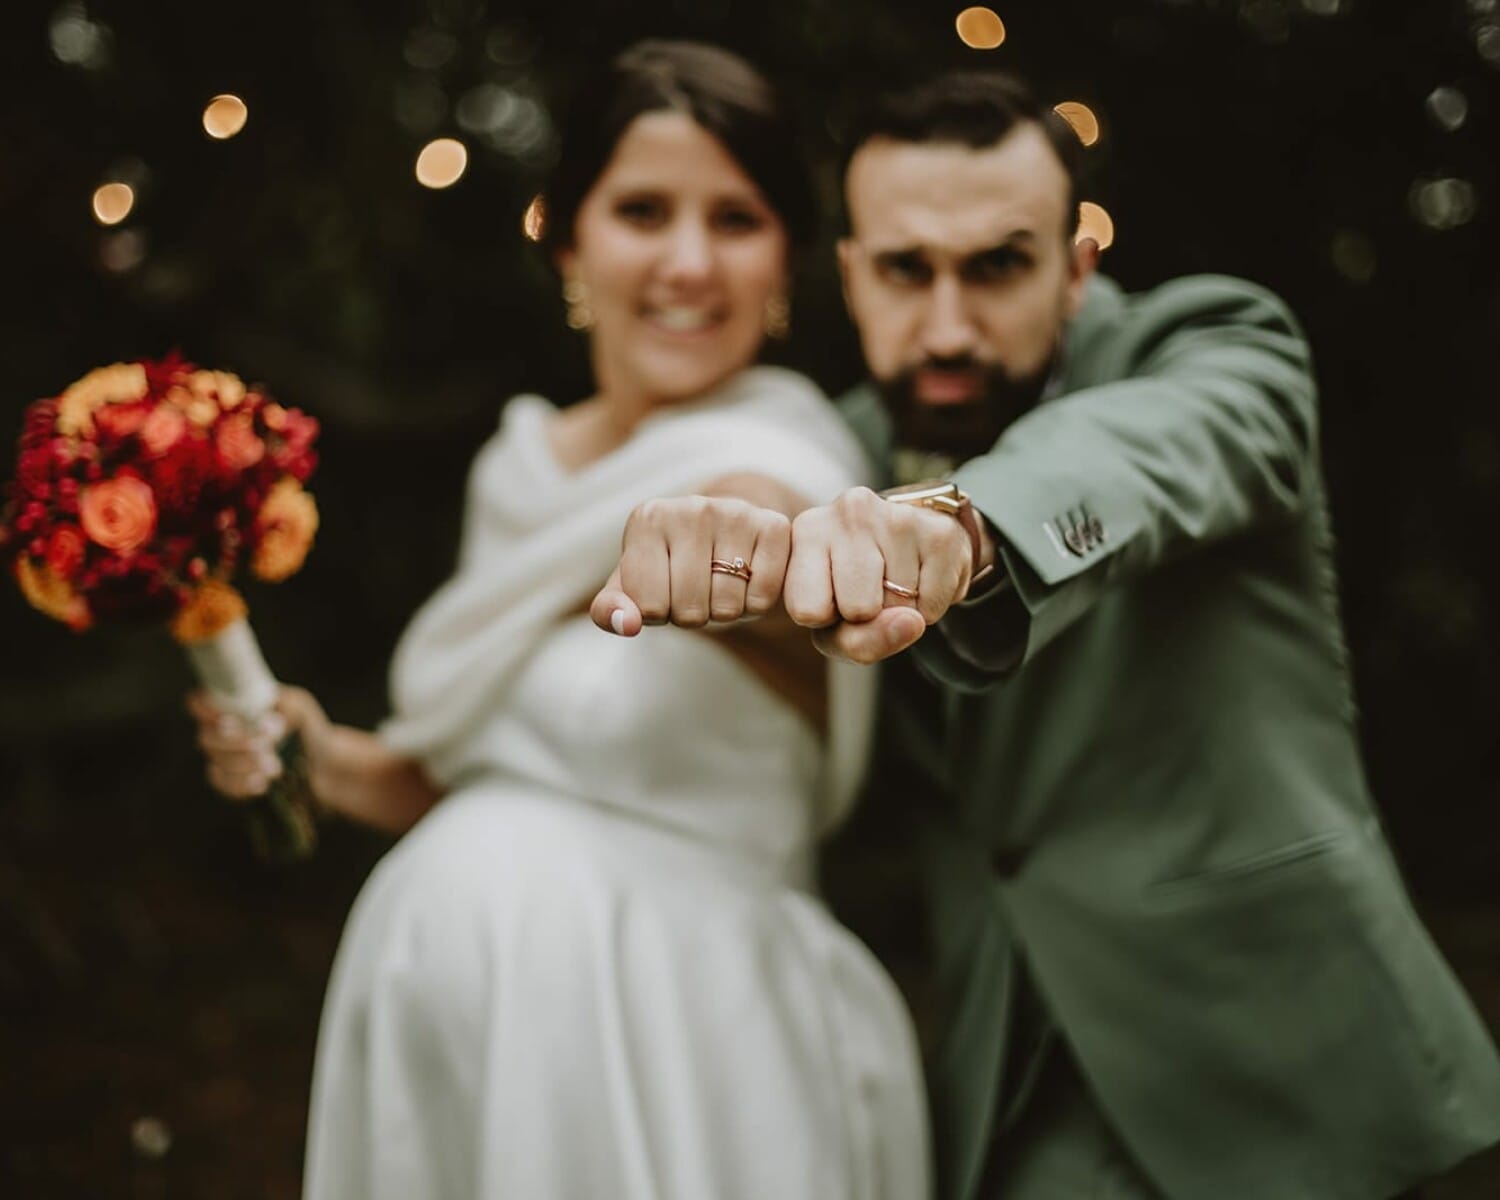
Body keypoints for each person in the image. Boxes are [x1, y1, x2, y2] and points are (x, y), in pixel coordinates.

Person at [596, 70, 1500, 1200]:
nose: (947, 327)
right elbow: (791, 522)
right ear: (849, 273)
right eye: (903, 270)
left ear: (1076, 269)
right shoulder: (842, 444)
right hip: (1004, 1090)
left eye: (998, 266)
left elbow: (1146, 454)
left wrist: (959, 527)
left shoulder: (1218, 347)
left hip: (1283, 1073)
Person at [191, 40, 930, 1200]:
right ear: (570, 238)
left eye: (734, 219)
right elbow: (479, 777)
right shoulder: (520, 463)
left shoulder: (788, 447)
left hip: (676, 1028)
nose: (688, 262)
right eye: (643, 210)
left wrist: (744, 544)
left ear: (786, 256)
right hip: (460, 1029)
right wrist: (317, 755)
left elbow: (781, 541)